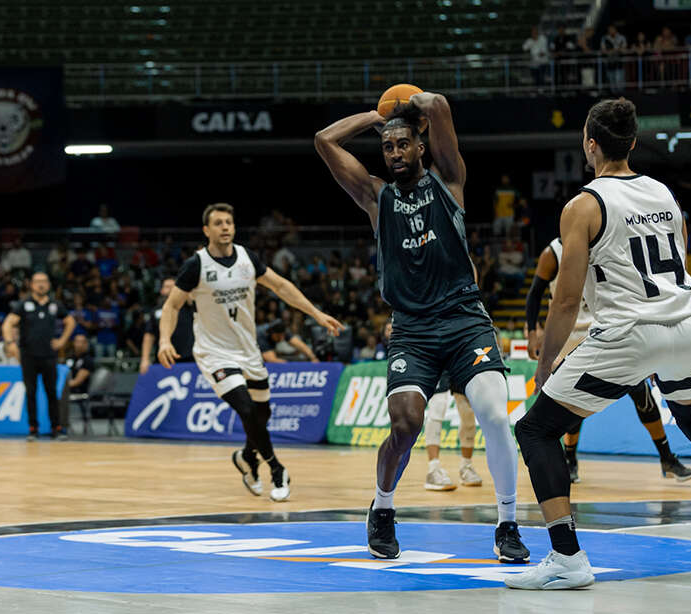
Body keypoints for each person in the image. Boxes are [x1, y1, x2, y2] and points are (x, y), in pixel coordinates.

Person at [509, 98, 691, 591]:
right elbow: (679, 263)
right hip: (683, 325)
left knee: (536, 430)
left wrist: (545, 365)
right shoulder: (665, 194)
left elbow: (564, 301)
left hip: (628, 333)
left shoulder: (583, 205)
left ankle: (566, 557)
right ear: (632, 143)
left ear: (590, 144)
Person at [315, 91, 530, 564]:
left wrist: (408, 102)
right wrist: (375, 116)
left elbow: (439, 106)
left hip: (464, 319)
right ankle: (383, 507)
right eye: (387, 146)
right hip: (412, 328)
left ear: (421, 147)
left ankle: (508, 523)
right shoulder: (376, 197)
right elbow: (324, 140)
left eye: (402, 144)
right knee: (406, 424)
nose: (394, 153)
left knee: (494, 413)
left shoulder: (449, 181)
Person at [157, 203, 343, 503]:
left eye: (229, 222)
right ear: (207, 230)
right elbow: (172, 306)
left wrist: (316, 313)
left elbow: (281, 286)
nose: (225, 227)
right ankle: (276, 468)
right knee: (245, 409)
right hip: (214, 352)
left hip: (247, 350)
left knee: (262, 414)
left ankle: (246, 457)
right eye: (218, 223)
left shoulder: (247, 258)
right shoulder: (196, 265)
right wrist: (164, 340)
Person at [525, 236, 691, 483]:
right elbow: (535, 294)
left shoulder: (606, 241)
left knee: (640, 391)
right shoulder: (552, 253)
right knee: (572, 399)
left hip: (603, 329)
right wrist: (532, 332)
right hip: (569, 336)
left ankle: (666, 458)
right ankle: (570, 458)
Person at [2, 272, 75, 441]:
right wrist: (10, 342)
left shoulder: (54, 305)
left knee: (51, 392)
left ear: (48, 285)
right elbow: (7, 323)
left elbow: (70, 321)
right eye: (37, 282)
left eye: (44, 281)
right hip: (28, 356)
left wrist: (62, 340)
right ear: (31, 285)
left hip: (49, 356)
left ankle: (56, 428)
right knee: (31, 392)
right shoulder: (24, 304)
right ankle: (33, 429)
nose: (41, 285)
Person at [421, 373, 483, 490]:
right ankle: (433, 469)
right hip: (438, 359)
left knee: (468, 410)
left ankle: (466, 467)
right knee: (438, 405)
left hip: (460, 358)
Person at [141, 277, 194, 374]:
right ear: (161, 290)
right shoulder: (156, 311)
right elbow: (149, 335)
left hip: (189, 359)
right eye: (167, 287)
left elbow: (192, 298)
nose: (170, 289)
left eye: (173, 287)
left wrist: (184, 291)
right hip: (164, 359)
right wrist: (145, 359)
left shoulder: (189, 306)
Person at [60, 334, 95, 433]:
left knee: (58, 396)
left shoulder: (88, 360)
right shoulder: (69, 358)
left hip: (80, 390)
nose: (79, 344)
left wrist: (60, 386)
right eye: (77, 341)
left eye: (82, 342)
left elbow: (77, 381)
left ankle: (62, 426)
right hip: (66, 388)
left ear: (86, 344)